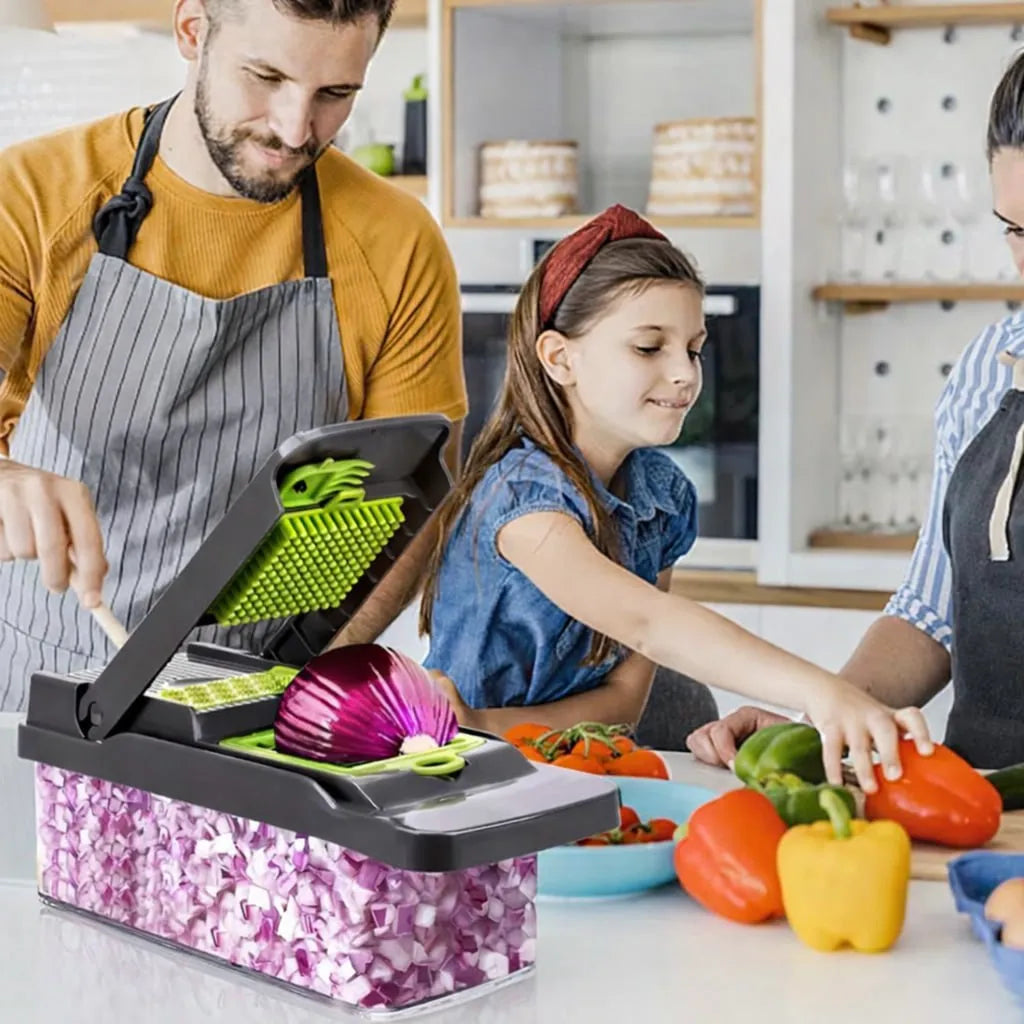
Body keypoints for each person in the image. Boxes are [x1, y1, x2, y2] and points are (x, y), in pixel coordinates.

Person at [0, 0, 466, 711]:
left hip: (254, 700)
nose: (294, 128)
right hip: (35, 677)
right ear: (193, 30)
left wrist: (308, 691)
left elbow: (409, 506)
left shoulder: (398, 243)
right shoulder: (36, 193)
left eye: (334, 94)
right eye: (265, 76)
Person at [418, 204, 933, 792]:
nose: (685, 374)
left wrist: (488, 726)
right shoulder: (522, 501)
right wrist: (825, 691)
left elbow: (622, 702)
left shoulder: (662, 499)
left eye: (693, 347)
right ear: (560, 358)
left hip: (569, 771)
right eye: (648, 348)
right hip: (466, 783)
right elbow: (647, 623)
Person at [687, 49, 1024, 773]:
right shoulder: (987, 368)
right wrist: (820, 718)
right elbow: (934, 612)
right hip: (985, 807)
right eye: (1016, 231)